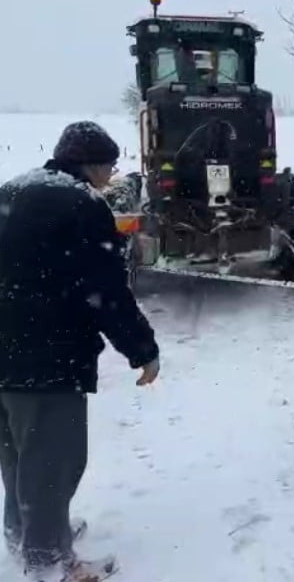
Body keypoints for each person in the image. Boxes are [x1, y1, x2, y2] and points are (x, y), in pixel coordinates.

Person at [0, 121, 161, 582]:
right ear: (94, 166)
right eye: (109, 167)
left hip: (5, 352)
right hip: (46, 355)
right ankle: (49, 561)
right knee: (53, 458)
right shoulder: (82, 204)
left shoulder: (11, 190)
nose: (111, 177)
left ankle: (28, 533)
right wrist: (142, 350)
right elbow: (105, 289)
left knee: (17, 455)